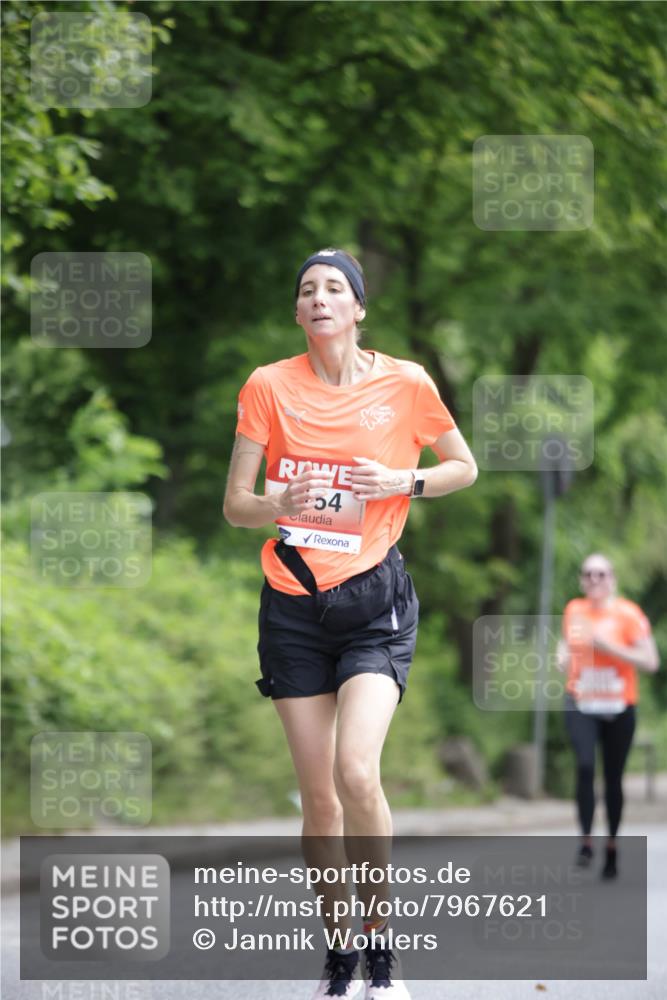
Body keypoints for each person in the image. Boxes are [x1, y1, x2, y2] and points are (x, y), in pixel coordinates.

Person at [223, 248, 477, 999]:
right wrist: (279, 503)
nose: (320, 298)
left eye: (335, 288)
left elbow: (463, 465)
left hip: (373, 604)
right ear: (298, 312)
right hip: (293, 608)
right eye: (307, 290)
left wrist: (406, 479)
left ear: (358, 308)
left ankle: (381, 952)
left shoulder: (405, 383)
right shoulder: (267, 386)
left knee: (356, 771)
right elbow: (236, 503)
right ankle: (338, 959)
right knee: (320, 799)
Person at [557, 553, 659, 879]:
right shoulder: (575, 609)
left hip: (618, 705)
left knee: (613, 778)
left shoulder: (629, 614)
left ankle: (611, 844)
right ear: (582, 580)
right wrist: (562, 656)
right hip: (581, 700)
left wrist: (607, 647)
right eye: (588, 574)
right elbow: (566, 644)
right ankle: (586, 841)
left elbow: (651, 661)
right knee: (586, 766)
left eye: (601, 574)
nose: (594, 580)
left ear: (612, 579)